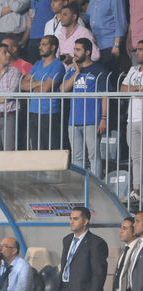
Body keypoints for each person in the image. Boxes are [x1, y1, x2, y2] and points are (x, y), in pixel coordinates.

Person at [61, 38, 109, 178]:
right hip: (73, 121)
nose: (74, 53)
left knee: (93, 155)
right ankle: (79, 185)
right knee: (77, 156)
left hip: (92, 120)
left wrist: (103, 118)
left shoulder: (98, 70)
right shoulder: (73, 70)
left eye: (78, 49)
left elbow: (105, 95)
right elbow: (63, 89)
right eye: (74, 49)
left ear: (87, 52)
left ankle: (96, 186)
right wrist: (76, 72)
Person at [22, 35, 66, 150]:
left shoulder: (57, 65)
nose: (40, 47)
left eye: (44, 44)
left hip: (49, 112)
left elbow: (46, 88)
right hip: (33, 111)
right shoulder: (37, 64)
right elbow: (23, 85)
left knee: (50, 148)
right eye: (40, 44)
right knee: (36, 148)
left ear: (53, 47)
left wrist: (34, 84)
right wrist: (41, 82)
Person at [122, 41, 143, 202]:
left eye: (141, 50)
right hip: (132, 118)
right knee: (135, 157)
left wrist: (132, 89)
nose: (137, 53)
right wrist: (137, 89)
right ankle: (136, 189)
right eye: (136, 50)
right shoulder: (133, 70)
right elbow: (122, 89)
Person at [83, 0, 127, 73]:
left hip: (110, 45)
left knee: (110, 75)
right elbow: (87, 17)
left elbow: (120, 22)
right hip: (95, 46)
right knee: (99, 76)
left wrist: (116, 45)